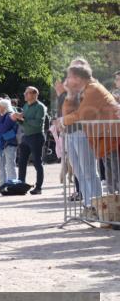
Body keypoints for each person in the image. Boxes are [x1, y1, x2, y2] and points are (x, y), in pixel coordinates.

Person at [61, 63, 120, 217]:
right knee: (112, 182)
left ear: (78, 78)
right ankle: (105, 213)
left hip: (111, 138)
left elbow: (80, 115)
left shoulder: (92, 89)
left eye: (70, 77)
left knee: (114, 180)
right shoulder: (87, 90)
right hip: (106, 139)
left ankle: (100, 211)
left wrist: (62, 121)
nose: (67, 80)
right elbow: (69, 111)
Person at [13, 87, 47, 195]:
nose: (24, 94)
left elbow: (37, 123)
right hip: (26, 136)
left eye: (27, 93)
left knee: (37, 162)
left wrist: (23, 119)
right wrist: (17, 119)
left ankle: (38, 187)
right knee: (21, 162)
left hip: (36, 136)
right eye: (25, 92)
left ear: (34, 94)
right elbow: (24, 123)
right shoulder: (25, 106)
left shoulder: (40, 107)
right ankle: (21, 185)